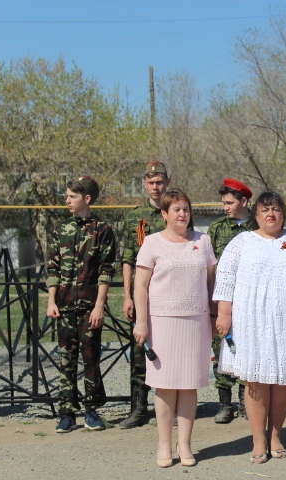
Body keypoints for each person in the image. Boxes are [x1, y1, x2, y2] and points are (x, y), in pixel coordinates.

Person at [213, 191, 286, 464]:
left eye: (275, 209)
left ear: (283, 213)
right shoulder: (242, 242)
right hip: (251, 323)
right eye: (265, 210)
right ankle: (258, 440)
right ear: (256, 214)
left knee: (282, 379)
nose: (271, 215)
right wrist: (223, 314)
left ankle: (276, 434)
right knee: (256, 380)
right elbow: (226, 278)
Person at [132, 189, 216, 468]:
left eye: (186, 209)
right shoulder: (152, 243)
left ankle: (186, 444)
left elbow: (211, 282)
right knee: (165, 387)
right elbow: (140, 286)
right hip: (162, 323)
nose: (182, 214)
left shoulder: (202, 241)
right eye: (176, 210)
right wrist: (141, 322)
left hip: (196, 321)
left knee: (189, 386)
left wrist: (215, 316)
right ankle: (164, 444)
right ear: (164, 214)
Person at [120, 161, 192, 429]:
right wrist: (127, 296)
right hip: (143, 292)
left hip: (173, 294)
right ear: (144, 184)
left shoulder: (178, 210)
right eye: (151, 183)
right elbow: (128, 257)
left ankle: (173, 407)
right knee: (142, 350)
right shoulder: (135, 216)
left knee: (172, 350)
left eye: (160, 182)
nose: (155, 187)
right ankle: (139, 407)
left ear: (167, 182)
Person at [46, 176, 116, 433]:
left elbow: (106, 271)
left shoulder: (102, 230)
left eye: (72, 196)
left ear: (86, 199)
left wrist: (99, 306)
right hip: (64, 307)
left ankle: (92, 411)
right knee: (66, 360)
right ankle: (66, 413)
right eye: (67, 196)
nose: (67, 201)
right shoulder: (61, 230)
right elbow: (52, 267)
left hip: (88, 308)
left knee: (90, 358)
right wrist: (51, 301)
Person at [207, 178, 253, 423]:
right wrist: (213, 299)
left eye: (230, 202)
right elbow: (211, 265)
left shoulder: (257, 226)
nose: (225, 207)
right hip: (224, 298)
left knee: (248, 347)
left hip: (250, 299)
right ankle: (225, 404)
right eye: (223, 203)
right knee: (222, 346)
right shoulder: (217, 228)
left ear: (244, 201)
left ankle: (247, 401)